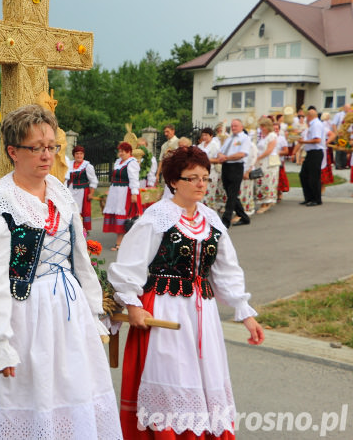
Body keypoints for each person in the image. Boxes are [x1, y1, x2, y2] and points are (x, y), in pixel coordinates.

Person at [0, 104, 122, 439]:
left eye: (51, 147)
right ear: (13, 152)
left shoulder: (60, 193)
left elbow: (79, 259)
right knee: (36, 398)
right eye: (37, 148)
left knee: (79, 392)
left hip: (70, 312)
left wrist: (93, 309)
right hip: (26, 316)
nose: (47, 155)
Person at [108, 145, 264, 439]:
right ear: (174, 182)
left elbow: (226, 271)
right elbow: (130, 264)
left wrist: (246, 315)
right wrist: (132, 303)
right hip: (165, 308)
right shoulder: (157, 217)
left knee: (206, 377)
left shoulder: (212, 220)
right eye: (192, 178)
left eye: (204, 177)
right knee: (173, 374)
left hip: (202, 313)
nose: (201, 184)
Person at [103, 142, 140, 251]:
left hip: (125, 193)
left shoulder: (132, 163)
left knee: (124, 216)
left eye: (123, 151)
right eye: (120, 151)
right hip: (116, 192)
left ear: (129, 152)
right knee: (117, 215)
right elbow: (115, 178)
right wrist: (110, 189)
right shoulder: (119, 162)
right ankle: (123, 242)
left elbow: (134, 179)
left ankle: (119, 243)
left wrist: (134, 193)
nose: (121, 153)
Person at [217, 119, 251, 228]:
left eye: (235, 126)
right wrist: (221, 156)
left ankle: (226, 220)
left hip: (236, 166)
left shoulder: (245, 138)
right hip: (226, 166)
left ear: (241, 126)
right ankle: (244, 217)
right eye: (232, 126)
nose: (233, 128)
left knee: (232, 194)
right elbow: (221, 150)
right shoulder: (229, 138)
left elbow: (242, 154)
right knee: (230, 193)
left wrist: (226, 157)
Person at [65, 145, 98, 231]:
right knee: (70, 210)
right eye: (77, 154)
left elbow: (93, 180)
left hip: (82, 192)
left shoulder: (87, 166)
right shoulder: (69, 164)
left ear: (83, 155)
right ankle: (72, 230)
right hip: (70, 190)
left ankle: (83, 232)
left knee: (81, 211)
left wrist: (91, 193)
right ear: (74, 155)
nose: (79, 156)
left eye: (81, 154)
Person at [298, 107, 325, 206]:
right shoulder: (312, 125)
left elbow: (317, 140)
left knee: (314, 176)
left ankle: (316, 199)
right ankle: (308, 197)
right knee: (304, 175)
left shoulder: (316, 125)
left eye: (306, 116)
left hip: (315, 152)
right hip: (311, 152)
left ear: (309, 116)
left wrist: (303, 141)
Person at [254, 118, 280, 214]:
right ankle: (263, 201)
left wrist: (259, 157)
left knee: (267, 181)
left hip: (269, 162)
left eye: (263, 126)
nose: (261, 128)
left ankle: (266, 202)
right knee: (261, 181)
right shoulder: (263, 137)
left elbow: (269, 150)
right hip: (261, 162)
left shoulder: (272, 136)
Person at [198, 127, 221, 210]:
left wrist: (207, 159)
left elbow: (218, 159)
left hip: (212, 170)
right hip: (201, 170)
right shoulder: (200, 145)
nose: (204, 137)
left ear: (211, 136)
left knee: (210, 190)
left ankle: (210, 209)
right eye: (203, 135)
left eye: (206, 135)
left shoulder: (214, 145)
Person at [273, 122, 290, 201]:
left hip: (278, 160)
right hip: (270, 160)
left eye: (277, 129)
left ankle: (279, 193)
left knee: (279, 177)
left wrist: (278, 153)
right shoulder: (269, 138)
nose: (275, 130)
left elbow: (286, 151)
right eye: (274, 129)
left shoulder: (281, 138)